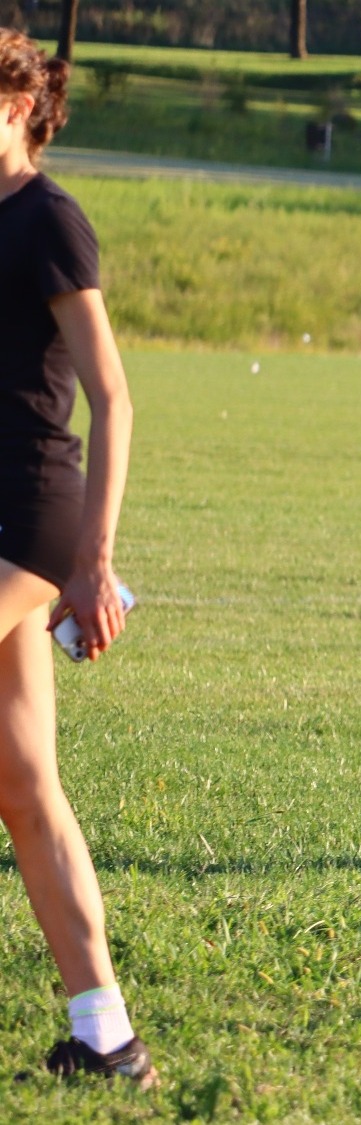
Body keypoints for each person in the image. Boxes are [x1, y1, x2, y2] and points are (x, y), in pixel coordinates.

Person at [0, 31, 154, 1086]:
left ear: (19, 101)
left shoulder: (49, 220)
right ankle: (108, 1040)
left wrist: (95, 564)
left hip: (30, 519)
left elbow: (114, 396)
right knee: (22, 783)